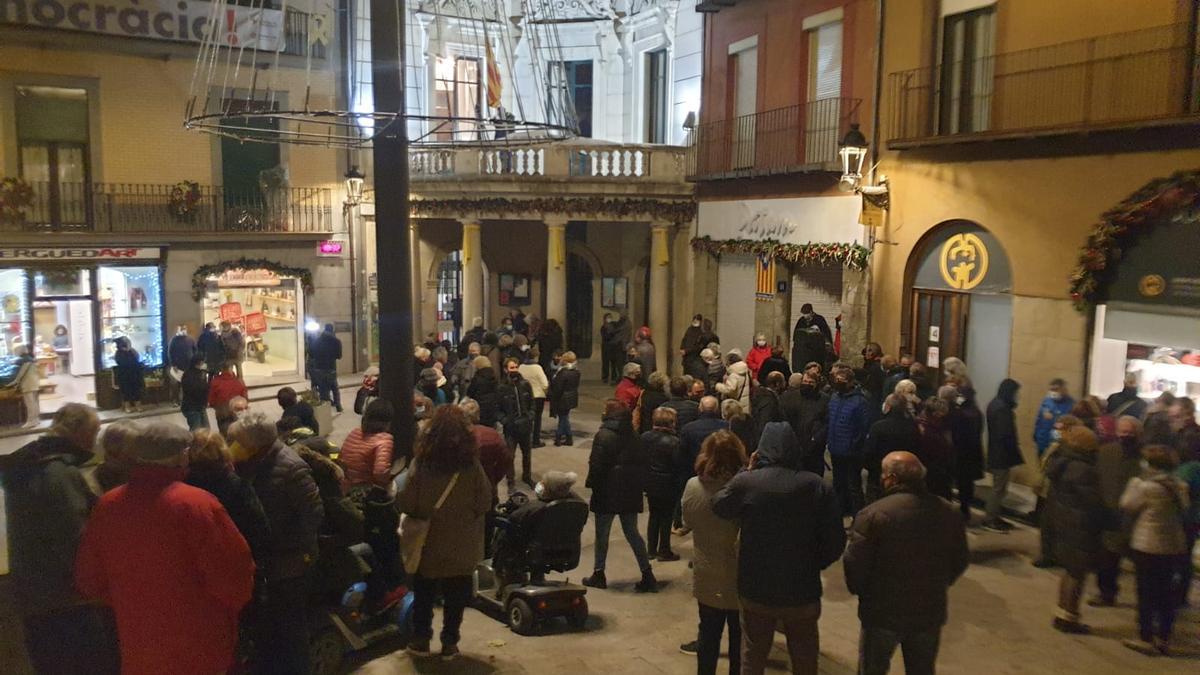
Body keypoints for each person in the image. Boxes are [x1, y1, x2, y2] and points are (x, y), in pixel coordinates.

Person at [75, 422, 255, 675]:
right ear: (181, 457)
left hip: (139, 644)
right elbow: (235, 575)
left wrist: (134, 603)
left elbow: (90, 579)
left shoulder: (108, 505)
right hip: (199, 644)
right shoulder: (196, 504)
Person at [713, 421, 845, 675]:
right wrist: (814, 563)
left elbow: (720, 505)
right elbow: (835, 540)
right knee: (805, 654)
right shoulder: (816, 485)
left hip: (756, 587)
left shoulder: (748, 483)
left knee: (753, 654)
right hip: (802, 588)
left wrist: (746, 471)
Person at [1, 404, 117, 674]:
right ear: (77, 433)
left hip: (33, 593)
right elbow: (74, 537)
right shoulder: (58, 474)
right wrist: (96, 585)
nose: (95, 440)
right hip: (64, 598)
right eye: (93, 432)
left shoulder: (27, 463)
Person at [845, 451, 969, 675]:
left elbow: (855, 565)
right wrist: (937, 584)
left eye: (884, 475)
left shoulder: (873, 515)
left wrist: (866, 593)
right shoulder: (948, 513)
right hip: (928, 610)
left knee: (873, 668)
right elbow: (959, 559)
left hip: (883, 612)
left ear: (892, 479)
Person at [231, 412, 323, 674]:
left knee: (291, 627)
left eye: (238, 440)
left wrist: (284, 543)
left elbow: (313, 514)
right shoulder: (251, 462)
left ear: (255, 443)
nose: (233, 445)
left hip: (289, 563)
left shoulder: (291, 467)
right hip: (266, 560)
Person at [398, 406, 492, 660]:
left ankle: (421, 640)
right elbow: (484, 501)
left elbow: (406, 501)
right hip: (461, 546)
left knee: (424, 594)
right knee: (456, 598)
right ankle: (450, 642)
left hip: (429, 544)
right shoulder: (471, 466)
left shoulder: (422, 464)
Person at [681, 430, 747, 675]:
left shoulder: (693, 486)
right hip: (741, 575)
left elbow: (688, 520)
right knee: (739, 642)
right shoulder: (746, 490)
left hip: (707, 571)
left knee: (708, 637)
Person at [1119, 444, 1190, 656]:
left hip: (1148, 545)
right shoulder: (1178, 486)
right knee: (1166, 592)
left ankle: (1145, 636)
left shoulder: (1146, 487)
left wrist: (1133, 485)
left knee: (1146, 592)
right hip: (1172, 546)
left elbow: (1127, 505)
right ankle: (1164, 637)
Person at [583, 399, 657, 592]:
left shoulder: (603, 435)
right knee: (632, 533)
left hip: (607, 490)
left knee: (602, 534)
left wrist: (591, 483)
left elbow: (596, 464)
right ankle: (647, 573)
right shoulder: (634, 435)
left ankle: (599, 573)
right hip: (629, 490)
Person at [1044, 424, 1103, 634]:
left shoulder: (1062, 462)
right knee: (1077, 574)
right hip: (1080, 526)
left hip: (1064, 522)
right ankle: (1070, 617)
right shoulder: (1082, 469)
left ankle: (1061, 613)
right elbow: (1093, 501)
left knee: (1069, 571)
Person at [185, 429, 271, 567]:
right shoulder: (235, 485)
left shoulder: (186, 485)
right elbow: (259, 526)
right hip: (239, 558)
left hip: (205, 560)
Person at [1091, 416, 1145, 606]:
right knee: (1107, 559)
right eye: (1123, 432)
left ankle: (1145, 599)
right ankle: (1106, 593)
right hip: (1110, 513)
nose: (1126, 436)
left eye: (1130, 433)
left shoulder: (1145, 456)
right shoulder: (1106, 452)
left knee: (1140, 561)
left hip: (1136, 516)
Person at [459, 398, 512, 555]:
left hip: (462, 492)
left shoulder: (456, 437)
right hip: (488, 489)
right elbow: (506, 460)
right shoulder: (493, 435)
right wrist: (494, 478)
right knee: (487, 529)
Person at [827, 365, 870, 516]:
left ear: (850, 382)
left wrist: (854, 444)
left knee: (853, 486)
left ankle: (858, 515)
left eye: (842, 380)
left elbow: (863, 427)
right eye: (837, 379)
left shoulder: (860, 401)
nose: (838, 382)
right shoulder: (834, 397)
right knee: (838, 483)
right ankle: (840, 512)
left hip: (851, 451)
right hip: (835, 447)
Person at [643, 407, 685, 561]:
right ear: (671, 423)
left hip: (650, 482)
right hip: (668, 483)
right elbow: (678, 464)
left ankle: (651, 549)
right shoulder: (674, 442)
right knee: (666, 517)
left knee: (653, 515)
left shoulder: (645, 437)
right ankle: (664, 550)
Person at [862, 393, 920, 504]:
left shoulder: (878, 427)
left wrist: (871, 467)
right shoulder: (913, 427)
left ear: (888, 407)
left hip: (879, 475)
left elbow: (869, 452)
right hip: (905, 476)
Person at [983, 378, 1023, 532]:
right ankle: (990, 519)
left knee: (1000, 488)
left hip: (998, 453)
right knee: (999, 489)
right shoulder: (1002, 409)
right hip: (1001, 455)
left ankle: (994, 516)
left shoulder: (996, 404)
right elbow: (1004, 433)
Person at [945, 382, 984, 522]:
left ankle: (961, 511)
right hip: (972, 454)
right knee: (967, 484)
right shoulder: (976, 412)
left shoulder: (960, 413)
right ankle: (965, 509)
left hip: (961, 454)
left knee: (961, 483)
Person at [339, 399, 397, 490]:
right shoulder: (385, 439)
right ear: (388, 421)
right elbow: (380, 472)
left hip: (345, 487)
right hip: (366, 491)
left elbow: (341, 458)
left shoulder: (354, 432)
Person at [780, 370, 829, 477]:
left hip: (815, 447)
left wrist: (817, 438)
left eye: (811, 382)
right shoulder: (790, 397)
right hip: (795, 445)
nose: (807, 384)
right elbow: (785, 418)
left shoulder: (824, 400)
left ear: (816, 384)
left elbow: (826, 422)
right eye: (805, 381)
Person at [915, 397, 955, 501]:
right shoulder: (927, 431)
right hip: (933, 474)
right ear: (935, 414)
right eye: (942, 414)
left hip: (933, 472)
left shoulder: (922, 425)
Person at [517, 349, 550, 448]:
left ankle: (525, 439)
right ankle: (535, 440)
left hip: (525, 395)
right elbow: (544, 384)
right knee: (537, 419)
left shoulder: (521, 367)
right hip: (537, 395)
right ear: (536, 357)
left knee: (527, 418)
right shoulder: (537, 368)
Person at [1035, 378, 1075, 457]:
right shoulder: (1047, 401)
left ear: (1063, 389)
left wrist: (1053, 419)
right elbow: (1039, 419)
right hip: (1042, 442)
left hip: (1058, 444)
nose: (1053, 392)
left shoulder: (1071, 405)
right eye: (1051, 390)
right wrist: (1036, 434)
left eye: (1056, 389)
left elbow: (1069, 424)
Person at [548, 350, 581, 446]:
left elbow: (558, 387)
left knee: (563, 418)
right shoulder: (576, 372)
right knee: (564, 417)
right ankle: (568, 438)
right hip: (571, 397)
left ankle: (559, 437)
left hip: (562, 398)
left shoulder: (563, 373)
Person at [310, 323, 344, 412]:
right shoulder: (336, 341)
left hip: (319, 369)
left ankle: (325, 408)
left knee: (323, 390)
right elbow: (339, 356)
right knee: (334, 388)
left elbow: (311, 355)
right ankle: (338, 406)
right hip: (331, 368)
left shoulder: (316, 341)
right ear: (332, 330)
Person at [208, 362, 248, 437]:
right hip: (238, 413)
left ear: (221, 370)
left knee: (225, 436)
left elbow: (211, 401)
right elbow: (245, 399)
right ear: (231, 369)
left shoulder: (215, 382)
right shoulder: (239, 381)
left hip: (222, 414)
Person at [750, 370, 786, 448]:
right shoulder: (769, 401)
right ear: (777, 384)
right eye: (783, 382)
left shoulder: (761, 396)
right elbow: (764, 424)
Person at [178, 354, 210, 431]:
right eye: (203, 362)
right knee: (196, 430)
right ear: (199, 363)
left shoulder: (199, 373)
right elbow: (195, 390)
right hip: (192, 407)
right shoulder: (190, 375)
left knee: (206, 429)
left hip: (199, 406)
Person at [466, 355, 500, 428]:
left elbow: (470, 393)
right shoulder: (494, 376)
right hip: (492, 408)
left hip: (480, 408)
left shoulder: (477, 378)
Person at [112, 336, 145, 413]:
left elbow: (137, 358)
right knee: (126, 391)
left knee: (136, 390)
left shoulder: (132, 351)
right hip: (124, 374)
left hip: (134, 374)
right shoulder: (118, 353)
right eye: (127, 342)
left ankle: (138, 406)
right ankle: (127, 407)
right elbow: (120, 363)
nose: (128, 343)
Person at [166, 324, 196, 404]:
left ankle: (188, 400)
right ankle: (175, 400)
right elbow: (170, 353)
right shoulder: (174, 340)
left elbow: (195, 350)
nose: (184, 330)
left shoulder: (190, 339)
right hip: (177, 367)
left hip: (189, 366)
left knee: (188, 384)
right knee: (176, 385)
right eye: (182, 329)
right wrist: (173, 364)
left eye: (185, 329)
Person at [15, 345, 40, 428]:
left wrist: (14, 383)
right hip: (35, 383)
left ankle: (31, 421)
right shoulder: (30, 358)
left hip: (27, 384)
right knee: (35, 402)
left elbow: (20, 374)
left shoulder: (23, 360)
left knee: (29, 403)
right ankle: (36, 419)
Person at [857, 342, 886, 411]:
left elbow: (872, 384)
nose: (865, 354)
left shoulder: (875, 366)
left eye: (867, 351)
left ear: (872, 353)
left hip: (874, 397)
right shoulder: (872, 364)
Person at [680, 314, 708, 380]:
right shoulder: (689, 329)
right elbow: (684, 339)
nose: (695, 321)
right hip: (686, 358)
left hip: (694, 358)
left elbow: (697, 347)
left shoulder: (701, 333)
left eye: (697, 320)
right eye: (694, 319)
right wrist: (682, 348)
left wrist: (686, 351)